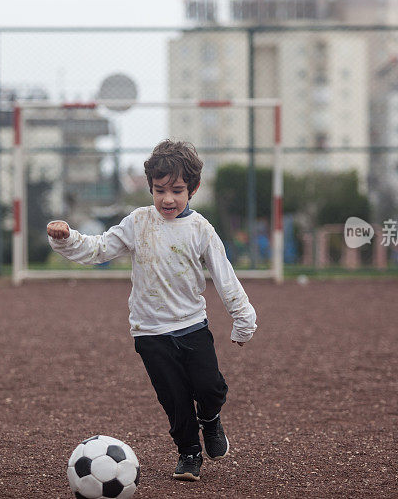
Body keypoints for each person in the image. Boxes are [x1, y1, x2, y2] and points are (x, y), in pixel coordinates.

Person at [47, 139, 257, 482]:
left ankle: (211, 419)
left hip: (191, 326)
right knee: (174, 399)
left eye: (177, 190)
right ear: (150, 188)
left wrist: (243, 319)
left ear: (194, 188)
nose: (168, 199)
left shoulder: (201, 229)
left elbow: (225, 276)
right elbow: (100, 249)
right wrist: (67, 238)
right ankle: (189, 454)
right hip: (149, 332)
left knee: (209, 388)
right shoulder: (138, 222)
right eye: (160, 190)